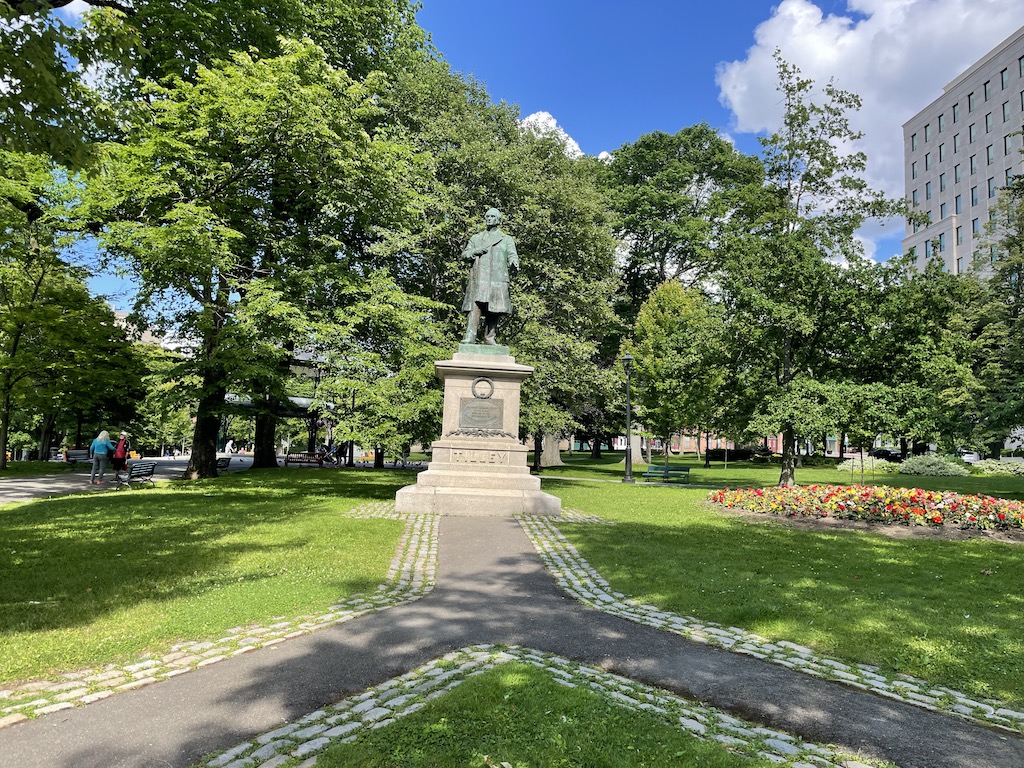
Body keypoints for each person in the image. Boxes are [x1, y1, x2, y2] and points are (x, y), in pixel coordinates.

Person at [461, 207, 519, 345]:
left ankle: (489, 338)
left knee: (494, 308)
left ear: (498, 220)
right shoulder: (476, 238)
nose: (489, 219)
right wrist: (475, 251)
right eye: (487, 216)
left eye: (492, 216)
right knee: (475, 307)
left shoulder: (506, 239)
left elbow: (512, 255)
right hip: (479, 278)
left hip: (496, 279)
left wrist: (514, 264)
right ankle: (470, 336)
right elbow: (465, 255)